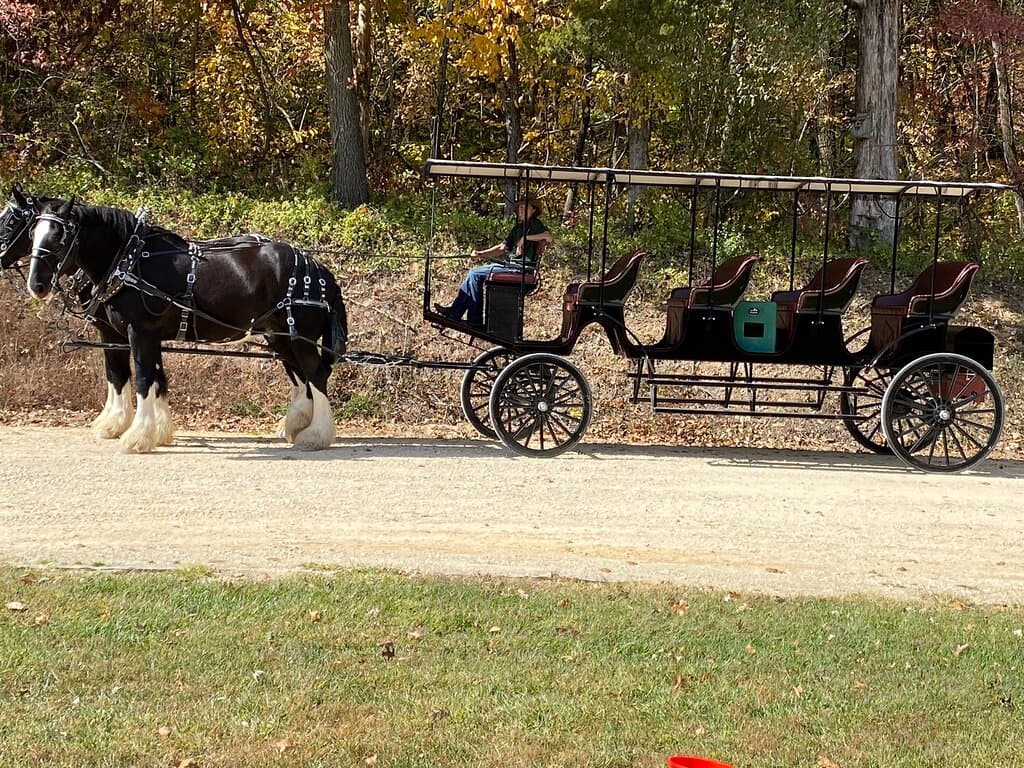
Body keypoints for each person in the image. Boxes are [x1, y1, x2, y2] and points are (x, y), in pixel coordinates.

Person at [435, 194, 552, 325]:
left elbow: (548, 237)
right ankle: (456, 313)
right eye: (519, 207)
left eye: (524, 207)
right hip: (512, 266)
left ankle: (473, 320)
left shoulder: (535, 224)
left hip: (522, 269)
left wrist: (525, 238)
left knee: (474, 274)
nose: (521, 210)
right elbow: (502, 247)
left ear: (534, 209)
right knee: (473, 274)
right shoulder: (518, 228)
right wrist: (481, 253)